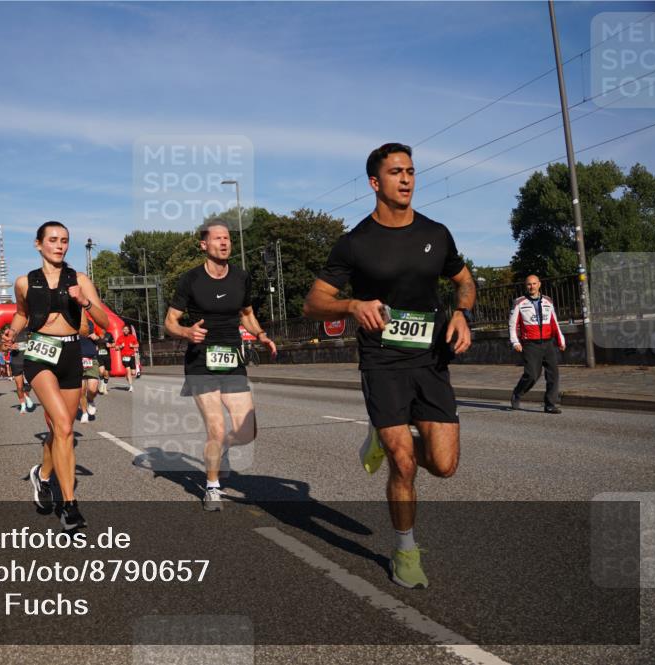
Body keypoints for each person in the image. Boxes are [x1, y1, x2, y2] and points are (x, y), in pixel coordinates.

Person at [302, 142, 475, 589]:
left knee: (444, 464)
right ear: (375, 183)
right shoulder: (355, 243)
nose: (406, 179)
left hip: (431, 359)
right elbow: (314, 303)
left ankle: (380, 439)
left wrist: (462, 313)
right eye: (397, 172)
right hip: (382, 362)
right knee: (404, 463)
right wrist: (352, 305)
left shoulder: (436, 233)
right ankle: (405, 551)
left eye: (412, 171)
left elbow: (464, 281)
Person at [2, 220, 110, 531]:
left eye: (64, 240)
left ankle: (43, 475)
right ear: (39, 244)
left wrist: (84, 302)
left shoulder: (80, 279)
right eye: (53, 240)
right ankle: (69, 505)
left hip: (71, 353)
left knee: (60, 430)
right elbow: (22, 313)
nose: (60, 245)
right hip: (39, 355)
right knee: (63, 426)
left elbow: (103, 318)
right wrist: (12, 332)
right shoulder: (24, 282)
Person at [165, 219, 277, 512]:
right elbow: (170, 322)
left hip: (232, 359)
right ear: (204, 245)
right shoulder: (190, 280)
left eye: (227, 238)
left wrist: (261, 335)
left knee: (247, 431)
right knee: (216, 429)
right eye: (217, 239)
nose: (224, 242)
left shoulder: (241, 277)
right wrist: (187, 332)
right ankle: (212, 486)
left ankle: (219, 451)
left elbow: (247, 314)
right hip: (201, 361)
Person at [509, 275, 565, 414]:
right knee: (532, 374)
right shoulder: (519, 302)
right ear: (525, 286)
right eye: (529, 284)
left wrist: (560, 339)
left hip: (548, 342)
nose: (532, 286)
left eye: (534, 284)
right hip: (530, 344)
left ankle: (550, 404)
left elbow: (554, 322)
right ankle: (518, 393)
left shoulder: (548, 301)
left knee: (553, 374)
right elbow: (512, 324)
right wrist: (515, 341)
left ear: (539, 284)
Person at [8, 330, 34, 414]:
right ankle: (23, 405)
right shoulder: (11, 333)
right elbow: (3, 347)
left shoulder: (29, 330)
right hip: (16, 362)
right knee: (19, 386)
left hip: (28, 361)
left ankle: (27, 396)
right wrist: (10, 346)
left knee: (30, 384)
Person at [78, 333, 101, 423]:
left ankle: (90, 400)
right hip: (77, 360)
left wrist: (97, 338)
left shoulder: (92, 323)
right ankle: (84, 413)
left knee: (92, 389)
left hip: (92, 360)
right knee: (81, 390)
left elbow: (103, 339)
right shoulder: (71, 324)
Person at [115, 324, 139, 392]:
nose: (126, 330)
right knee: (128, 370)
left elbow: (137, 345)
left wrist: (133, 346)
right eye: (124, 329)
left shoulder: (132, 337)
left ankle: (127, 376)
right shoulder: (120, 338)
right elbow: (116, 348)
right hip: (124, 357)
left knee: (133, 373)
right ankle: (131, 386)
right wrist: (120, 346)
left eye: (127, 329)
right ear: (122, 330)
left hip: (131, 356)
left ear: (129, 330)